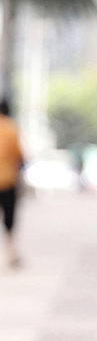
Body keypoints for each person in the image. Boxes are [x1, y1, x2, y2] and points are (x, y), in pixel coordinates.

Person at [0, 98, 23, 268]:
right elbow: (19, 155)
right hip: (7, 181)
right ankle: (11, 254)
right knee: (9, 219)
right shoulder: (11, 128)